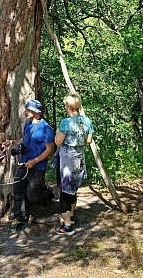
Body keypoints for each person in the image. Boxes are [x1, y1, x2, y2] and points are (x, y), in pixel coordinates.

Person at [3, 99, 54, 232]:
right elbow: (23, 140)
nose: (26, 112)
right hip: (24, 163)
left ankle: (49, 194)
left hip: (37, 167)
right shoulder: (28, 124)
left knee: (32, 195)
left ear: (36, 111)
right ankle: (20, 218)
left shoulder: (46, 128)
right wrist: (11, 142)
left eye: (28, 109)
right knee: (18, 189)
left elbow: (49, 150)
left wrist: (35, 161)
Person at [54, 93, 94, 235]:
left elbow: (58, 141)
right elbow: (88, 141)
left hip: (67, 160)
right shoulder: (87, 121)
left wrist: (58, 133)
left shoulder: (66, 122)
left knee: (64, 191)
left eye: (65, 104)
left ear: (69, 106)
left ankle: (67, 226)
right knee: (73, 188)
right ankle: (71, 215)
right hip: (80, 158)